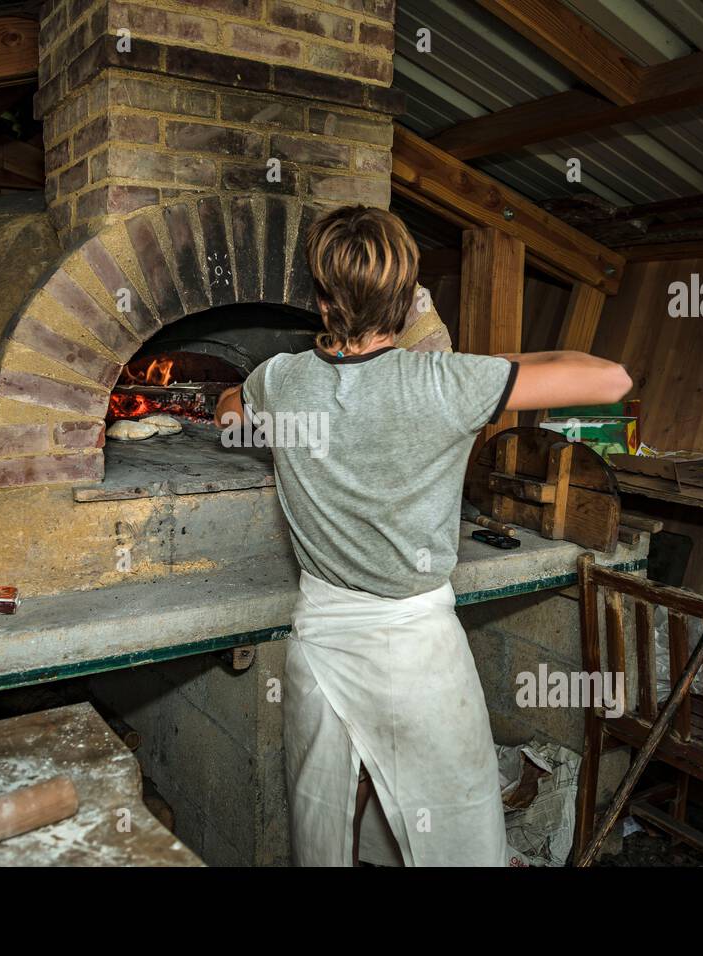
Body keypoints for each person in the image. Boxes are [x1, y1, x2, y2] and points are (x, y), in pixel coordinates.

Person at [214, 205, 632, 867]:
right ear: (410, 299)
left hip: (318, 641)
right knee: (459, 840)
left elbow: (229, 410)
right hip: (416, 651)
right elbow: (611, 378)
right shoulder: (449, 382)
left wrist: (261, 420)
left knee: (321, 829)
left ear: (323, 302)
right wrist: (489, 373)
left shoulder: (281, 379)